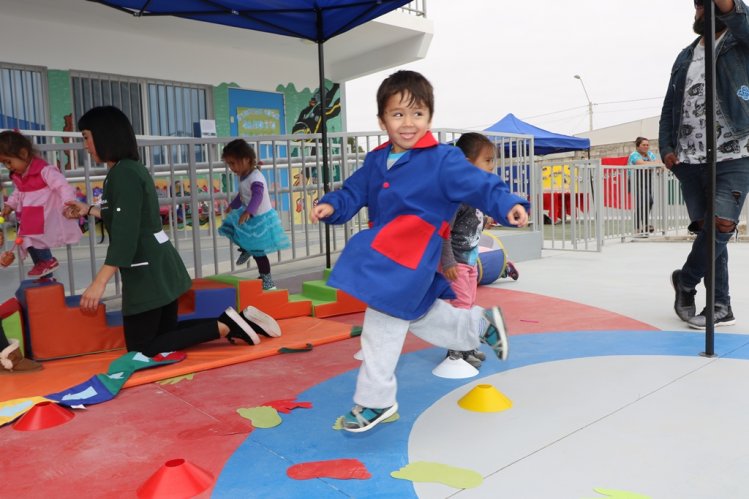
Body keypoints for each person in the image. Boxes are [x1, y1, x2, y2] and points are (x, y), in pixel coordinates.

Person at [311, 70, 530, 432]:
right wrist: (334, 205)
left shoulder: (442, 159)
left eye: (418, 114)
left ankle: (375, 400)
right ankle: (479, 324)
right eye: (398, 114)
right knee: (420, 315)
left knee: (380, 328)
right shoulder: (376, 160)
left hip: (410, 256)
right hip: (388, 254)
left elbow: (478, 182)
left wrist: (507, 202)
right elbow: (353, 191)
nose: (408, 123)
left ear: (430, 117)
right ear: (382, 120)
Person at [63, 106, 281, 357]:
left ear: (104, 135)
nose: (85, 145)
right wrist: (88, 209)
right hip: (158, 266)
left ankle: (226, 326)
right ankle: (233, 322)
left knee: (141, 348)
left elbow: (126, 234)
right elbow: (134, 217)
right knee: (163, 335)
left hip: (149, 273)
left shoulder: (123, 173)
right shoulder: (128, 169)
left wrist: (98, 283)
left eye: (86, 137)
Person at [659, 0, 749, 329]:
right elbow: (670, 102)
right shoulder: (685, 55)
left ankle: (685, 280)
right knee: (708, 230)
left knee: (722, 224)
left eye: (703, 5)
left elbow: (740, 16)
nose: (697, 12)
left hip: (737, 150)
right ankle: (720, 303)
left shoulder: (740, 41)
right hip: (689, 157)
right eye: (695, 6)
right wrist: (666, 146)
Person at [440, 132, 499, 369]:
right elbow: (444, 231)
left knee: (470, 304)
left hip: (471, 261)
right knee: (462, 306)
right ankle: (456, 351)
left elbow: (469, 225)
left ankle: (467, 345)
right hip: (456, 262)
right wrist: (448, 263)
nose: (491, 166)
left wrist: (485, 222)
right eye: (486, 160)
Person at [0, 130, 82, 277]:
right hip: (30, 213)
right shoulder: (21, 175)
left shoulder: (44, 170)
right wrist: (9, 205)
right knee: (28, 239)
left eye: (8, 161)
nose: (8, 167)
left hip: (43, 213)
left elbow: (62, 186)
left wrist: (68, 203)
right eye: (4, 163)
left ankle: (47, 261)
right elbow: (18, 192)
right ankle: (43, 269)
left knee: (34, 238)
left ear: (24, 153)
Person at [218, 138, 290, 291]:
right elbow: (243, 195)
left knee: (259, 253)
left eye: (233, 163)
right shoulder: (244, 176)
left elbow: (257, 195)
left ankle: (268, 280)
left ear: (246, 160)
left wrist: (248, 211)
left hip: (260, 219)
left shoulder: (256, 177)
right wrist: (233, 205)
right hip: (250, 215)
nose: (231, 168)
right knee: (230, 227)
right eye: (229, 164)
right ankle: (247, 249)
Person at [627, 136, 659, 237]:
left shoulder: (650, 154)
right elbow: (640, 163)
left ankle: (641, 227)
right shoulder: (634, 155)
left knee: (647, 202)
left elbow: (658, 164)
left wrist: (652, 164)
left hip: (647, 180)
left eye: (647, 145)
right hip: (635, 180)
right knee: (646, 200)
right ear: (638, 146)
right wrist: (653, 164)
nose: (646, 147)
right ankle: (642, 225)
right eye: (643, 145)